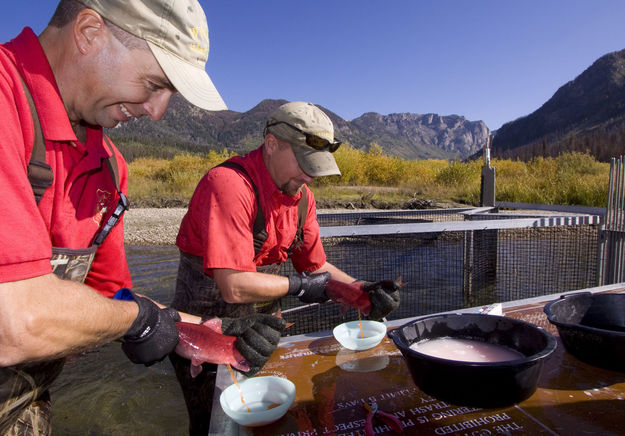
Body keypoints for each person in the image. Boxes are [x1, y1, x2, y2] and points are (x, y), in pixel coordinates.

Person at [0, 0, 232, 434]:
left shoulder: (109, 165)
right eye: (153, 83)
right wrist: (140, 321)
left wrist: (208, 333)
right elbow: (14, 322)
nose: (157, 111)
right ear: (89, 32)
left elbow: (113, 300)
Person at [170, 101, 401, 435]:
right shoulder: (229, 184)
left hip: (263, 331)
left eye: (315, 167)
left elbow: (316, 265)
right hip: (205, 333)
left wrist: (362, 292)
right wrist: (301, 286)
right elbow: (233, 285)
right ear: (271, 144)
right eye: (304, 164)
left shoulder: (303, 197)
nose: (309, 176)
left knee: (270, 420)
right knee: (214, 422)